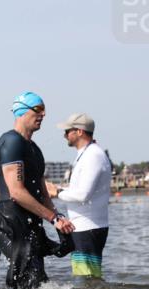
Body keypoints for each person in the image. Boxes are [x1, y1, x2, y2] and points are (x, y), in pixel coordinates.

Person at [0, 92, 75, 289]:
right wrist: (52, 218)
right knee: (27, 281)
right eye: (38, 109)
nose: (43, 114)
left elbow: (42, 191)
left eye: (44, 109)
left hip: (30, 222)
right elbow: (17, 193)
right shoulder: (12, 142)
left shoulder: (34, 149)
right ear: (21, 111)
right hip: (11, 222)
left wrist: (58, 218)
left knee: (38, 284)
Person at [45, 113, 112, 279]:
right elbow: (79, 189)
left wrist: (57, 192)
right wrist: (57, 188)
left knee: (87, 279)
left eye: (68, 130)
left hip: (88, 227)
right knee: (87, 278)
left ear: (80, 131)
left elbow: (83, 195)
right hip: (83, 226)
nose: (64, 134)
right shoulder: (86, 154)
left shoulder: (93, 156)